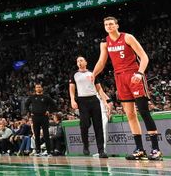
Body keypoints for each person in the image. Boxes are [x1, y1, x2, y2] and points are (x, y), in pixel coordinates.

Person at [92, 16, 162, 161]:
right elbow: (101, 61)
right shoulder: (105, 43)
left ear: (117, 25)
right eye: (106, 24)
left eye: (111, 24)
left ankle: (156, 149)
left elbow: (144, 57)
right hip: (120, 78)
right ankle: (140, 149)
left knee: (143, 111)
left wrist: (140, 73)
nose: (109, 26)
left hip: (134, 75)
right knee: (130, 114)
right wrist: (93, 74)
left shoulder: (128, 37)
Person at [69, 56, 111, 157]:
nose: (79, 62)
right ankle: (86, 146)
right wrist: (72, 99)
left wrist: (105, 102)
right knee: (84, 125)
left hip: (94, 100)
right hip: (82, 101)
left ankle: (101, 151)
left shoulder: (92, 73)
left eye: (81, 60)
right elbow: (71, 88)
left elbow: (99, 89)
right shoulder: (74, 74)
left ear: (86, 62)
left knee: (98, 126)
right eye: (77, 61)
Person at [24, 84, 54, 156]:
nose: (38, 88)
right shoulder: (32, 97)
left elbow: (53, 104)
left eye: (39, 87)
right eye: (37, 87)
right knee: (36, 134)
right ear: (35, 89)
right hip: (35, 117)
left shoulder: (46, 97)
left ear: (42, 88)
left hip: (44, 117)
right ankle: (38, 151)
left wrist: (48, 111)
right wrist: (29, 112)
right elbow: (26, 105)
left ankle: (49, 151)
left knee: (46, 134)